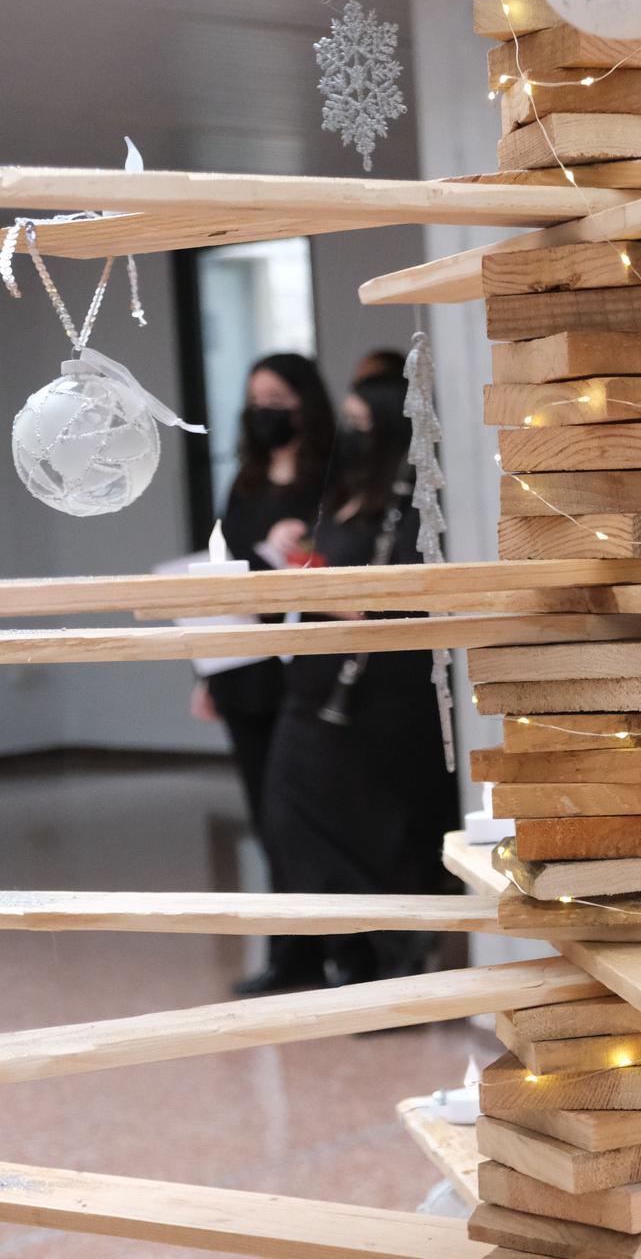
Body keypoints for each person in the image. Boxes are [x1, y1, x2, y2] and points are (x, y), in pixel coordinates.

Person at [262, 371, 459, 987]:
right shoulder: (348, 489)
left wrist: (309, 576)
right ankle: (343, 952)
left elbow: (390, 603)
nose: (351, 433)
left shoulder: (410, 502)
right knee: (291, 816)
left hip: (375, 693)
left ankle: (388, 960)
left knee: (367, 829)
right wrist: (295, 549)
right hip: (315, 681)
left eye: (362, 423)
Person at [190, 353, 335, 996]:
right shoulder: (245, 481)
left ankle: (335, 951)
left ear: (305, 401)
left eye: (277, 396)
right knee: (265, 817)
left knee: (297, 812)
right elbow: (220, 575)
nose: (264, 409)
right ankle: (290, 958)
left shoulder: (328, 476)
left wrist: (293, 554)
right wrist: (204, 673)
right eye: (255, 398)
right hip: (240, 666)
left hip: (300, 667)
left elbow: (334, 565)